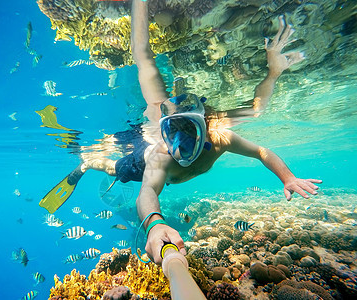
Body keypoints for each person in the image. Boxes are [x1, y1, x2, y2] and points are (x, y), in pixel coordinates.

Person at [39, 0, 322, 265]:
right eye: (171, 131)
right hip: (140, 162)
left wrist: (288, 177)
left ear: (206, 128)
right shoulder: (160, 155)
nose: (179, 144)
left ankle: (275, 70)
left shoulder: (220, 138)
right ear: (162, 129)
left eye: (189, 131)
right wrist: (155, 223)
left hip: (170, 162)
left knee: (254, 110)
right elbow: (148, 190)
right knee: (116, 168)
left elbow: (261, 150)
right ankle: (87, 162)